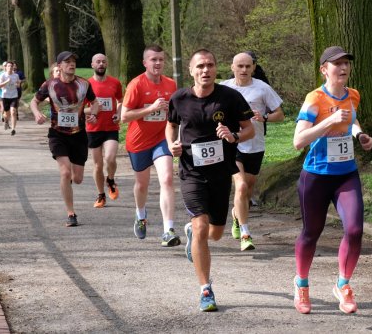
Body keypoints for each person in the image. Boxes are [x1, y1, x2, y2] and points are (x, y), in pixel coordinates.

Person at [165, 48, 254, 311]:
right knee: (202, 227)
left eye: (210, 65)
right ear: (191, 71)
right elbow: (171, 125)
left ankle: (194, 233)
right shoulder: (179, 98)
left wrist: (233, 136)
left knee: (215, 234)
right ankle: (206, 289)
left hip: (221, 172)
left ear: (217, 69)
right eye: (200, 66)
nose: (206, 70)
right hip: (191, 172)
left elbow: (249, 129)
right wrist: (173, 145)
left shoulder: (230, 97)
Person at [291, 46, 372, 315]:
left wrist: (359, 134)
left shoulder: (353, 95)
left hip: (345, 174)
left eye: (346, 63)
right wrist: (329, 122)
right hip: (315, 175)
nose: (343, 67)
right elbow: (298, 141)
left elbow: (352, 120)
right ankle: (302, 285)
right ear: (324, 69)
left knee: (354, 230)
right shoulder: (314, 99)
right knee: (311, 233)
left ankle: (343, 284)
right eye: (336, 63)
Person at [220, 52, 284, 251]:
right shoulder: (223, 88)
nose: (244, 70)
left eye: (248, 66)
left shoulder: (262, 88)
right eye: (240, 66)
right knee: (239, 187)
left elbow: (280, 115)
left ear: (254, 67)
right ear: (232, 67)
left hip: (255, 145)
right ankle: (246, 234)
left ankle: (237, 216)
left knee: (247, 190)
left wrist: (264, 117)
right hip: (232, 144)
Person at [30, 51, 99, 227]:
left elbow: (95, 103)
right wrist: (37, 113)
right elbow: (34, 101)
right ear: (59, 66)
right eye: (67, 62)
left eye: (73, 61)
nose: (71, 64)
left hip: (79, 135)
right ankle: (71, 213)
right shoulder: (50, 84)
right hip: (57, 134)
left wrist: (94, 114)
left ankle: (66, 181)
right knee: (65, 172)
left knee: (77, 179)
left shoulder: (84, 84)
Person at [121, 45, 179, 246]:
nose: (157, 63)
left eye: (161, 59)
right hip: (138, 142)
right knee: (142, 184)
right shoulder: (136, 84)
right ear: (145, 63)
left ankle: (168, 230)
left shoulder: (171, 85)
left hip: (162, 139)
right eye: (153, 60)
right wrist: (152, 108)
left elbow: (176, 113)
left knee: (167, 179)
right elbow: (124, 117)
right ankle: (140, 214)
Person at [85, 54, 123, 209]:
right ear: (92, 64)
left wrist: (119, 114)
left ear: (107, 64)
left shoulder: (115, 83)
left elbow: (121, 101)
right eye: (98, 62)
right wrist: (93, 110)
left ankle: (111, 179)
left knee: (111, 158)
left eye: (103, 62)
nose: (101, 64)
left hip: (110, 128)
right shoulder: (86, 85)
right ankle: (101, 195)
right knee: (97, 165)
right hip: (93, 128)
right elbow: (80, 108)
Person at [0, 61, 21, 135]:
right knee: (6, 114)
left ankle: (13, 129)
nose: (10, 67)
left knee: (13, 112)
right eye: (8, 66)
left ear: (13, 67)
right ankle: (6, 121)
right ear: (6, 67)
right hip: (5, 96)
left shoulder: (16, 76)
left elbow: (18, 85)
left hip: (14, 96)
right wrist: (6, 81)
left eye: (11, 66)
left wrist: (18, 84)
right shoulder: (2, 75)